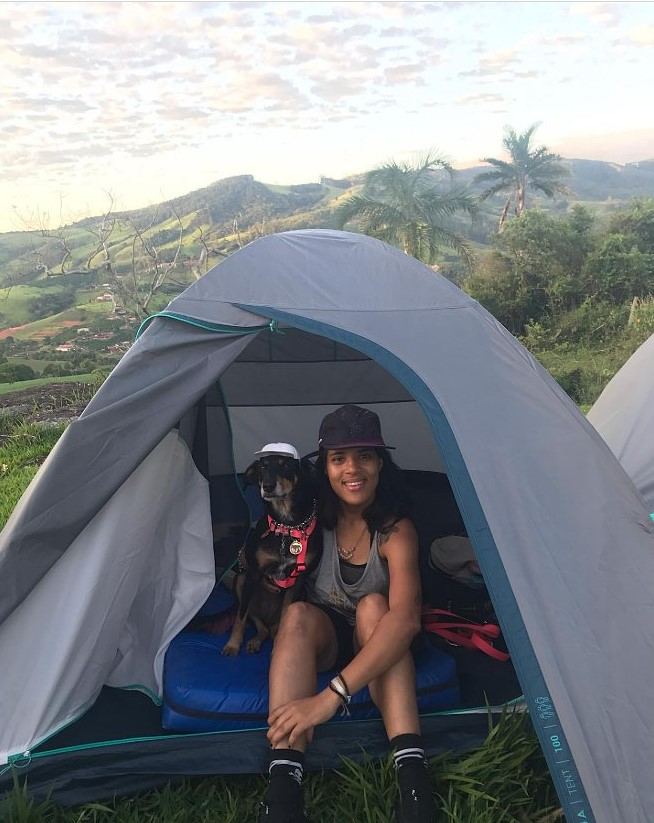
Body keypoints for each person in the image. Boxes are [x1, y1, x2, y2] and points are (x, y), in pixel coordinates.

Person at [260, 404, 432, 823]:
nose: (352, 469)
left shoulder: (396, 529)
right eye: (339, 458)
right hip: (330, 633)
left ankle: (414, 785)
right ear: (325, 467)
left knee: (375, 606)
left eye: (364, 456)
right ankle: (283, 791)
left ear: (380, 464)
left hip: (379, 639)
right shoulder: (313, 519)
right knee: (297, 615)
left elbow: (406, 620)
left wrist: (328, 698)